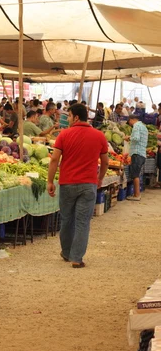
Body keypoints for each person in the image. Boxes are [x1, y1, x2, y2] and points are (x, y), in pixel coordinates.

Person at [47, 103, 109, 269]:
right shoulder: (99, 136)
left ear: (75, 117)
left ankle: (66, 253)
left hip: (67, 183)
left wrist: (50, 181)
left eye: (68, 116)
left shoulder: (64, 135)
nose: (67, 119)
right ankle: (76, 258)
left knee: (67, 219)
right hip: (88, 184)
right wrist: (100, 178)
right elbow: (105, 162)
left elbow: (54, 159)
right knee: (83, 222)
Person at [125, 114, 148, 201]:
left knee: (135, 175)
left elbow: (136, 138)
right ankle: (136, 194)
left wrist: (128, 137)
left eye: (129, 122)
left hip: (137, 153)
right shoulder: (143, 127)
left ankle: (136, 195)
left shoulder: (136, 126)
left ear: (131, 119)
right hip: (142, 153)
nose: (130, 124)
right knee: (136, 174)